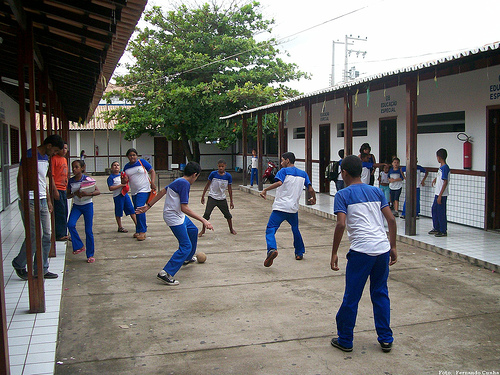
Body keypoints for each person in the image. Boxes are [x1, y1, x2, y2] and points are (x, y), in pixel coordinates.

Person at [330, 155, 397, 353]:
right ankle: (385, 338)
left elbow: (341, 224)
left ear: (344, 173)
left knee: (351, 296)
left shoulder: (342, 195)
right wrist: (392, 246)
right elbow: (391, 220)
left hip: (361, 252)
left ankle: (345, 339)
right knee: (380, 293)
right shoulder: (376, 192)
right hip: (382, 250)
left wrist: (334, 252)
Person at [136, 162, 213, 285]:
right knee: (185, 246)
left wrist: (148, 206)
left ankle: (187, 258)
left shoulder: (179, 181)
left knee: (192, 230)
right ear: (195, 175)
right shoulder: (185, 184)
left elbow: (162, 191)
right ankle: (165, 273)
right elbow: (185, 208)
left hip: (179, 216)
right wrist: (204, 220)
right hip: (174, 217)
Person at [12, 134, 64, 280]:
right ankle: (19, 263)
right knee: (34, 235)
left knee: (47, 234)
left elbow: (43, 180)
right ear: (48, 146)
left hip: (42, 200)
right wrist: (23, 200)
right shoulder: (30, 155)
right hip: (30, 200)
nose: (54, 154)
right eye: (54, 150)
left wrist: (48, 200)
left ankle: (41, 269)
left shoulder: (45, 158)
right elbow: (20, 177)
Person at [260, 151, 316, 265]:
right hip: (293, 208)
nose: (281, 163)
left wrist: (265, 190)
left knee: (270, 229)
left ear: (287, 160)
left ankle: (272, 249)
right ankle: (299, 252)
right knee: (295, 229)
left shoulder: (283, 171)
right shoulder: (303, 173)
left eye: (282, 160)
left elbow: (279, 183)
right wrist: (313, 198)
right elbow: (310, 189)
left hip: (280, 207)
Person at [67, 160, 100, 263]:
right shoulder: (71, 181)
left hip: (87, 206)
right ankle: (79, 245)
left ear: (82, 168)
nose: (74, 169)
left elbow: (97, 191)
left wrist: (87, 194)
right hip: (77, 206)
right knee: (70, 224)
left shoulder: (87, 179)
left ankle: (90, 254)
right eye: (73, 167)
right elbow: (67, 195)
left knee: (88, 230)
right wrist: (75, 193)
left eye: (76, 167)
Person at [122, 148, 156, 241]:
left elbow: (152, 171)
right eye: (130, 155)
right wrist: (123, 180)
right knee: (136, 209)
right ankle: (138, 230)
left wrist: (152, 182)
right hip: (134, 191)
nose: (132, 157)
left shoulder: (142, 162)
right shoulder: (126, 167)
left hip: (144, 189)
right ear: (127, 157)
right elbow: (125, 180)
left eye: (134, 155)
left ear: (137, 156)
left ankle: (142, 232)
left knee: (139, 208)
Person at [199, 159, 236, 237]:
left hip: (222, 198)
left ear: (225, 166)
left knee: (228, 215)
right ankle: (203, 230)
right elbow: (207, 184)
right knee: (206, 214)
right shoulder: (213, 174)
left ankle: (231, 229)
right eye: (219, 166)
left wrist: (231, 201)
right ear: (217, 166)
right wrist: (203, 195)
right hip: (212, 197)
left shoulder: (228, 176)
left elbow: (229, 189)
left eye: (222, 166)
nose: (221, 168)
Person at [107, 161, 137, 233]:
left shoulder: (122, 174)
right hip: (117, 196)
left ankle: (137, 224)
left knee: (131, 209)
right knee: (119, 211)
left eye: (117, 165)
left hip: (125, 194)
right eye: (114, 165)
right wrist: (121, 185)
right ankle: (120, 227)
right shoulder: (111, 178)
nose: (116, 166)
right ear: (111, 168)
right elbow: (111, 188)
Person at [429, 149, 450, 237]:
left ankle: (443, 230)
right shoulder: (441, 167)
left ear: (439, 157)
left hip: (442, 194)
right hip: (437, 193)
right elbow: (441, 178)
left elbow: (445, 182)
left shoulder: (445, 167)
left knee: (441, 212)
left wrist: (440, 195)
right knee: (434, 210)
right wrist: (435, 179)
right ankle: (436, 227)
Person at [51, 141, 70, 241]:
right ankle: (59, 234)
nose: (64, 150)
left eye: (66, 148)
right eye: (62, 148)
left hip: (63, 188)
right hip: (57, 188)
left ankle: (63, 232)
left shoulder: (64, 159)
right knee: (59, 212)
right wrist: (54, 191)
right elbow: (52, 176)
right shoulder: (54, 159)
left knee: (64, 211)